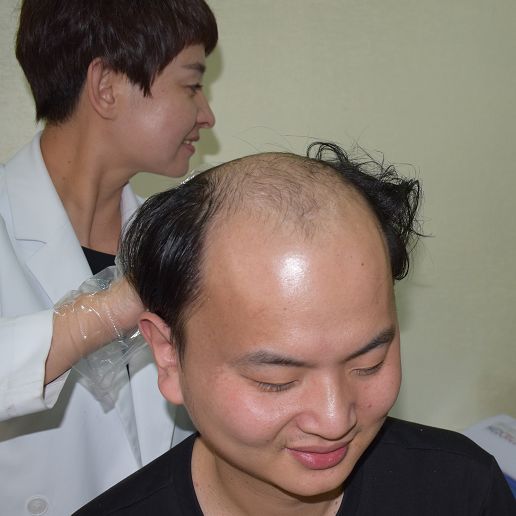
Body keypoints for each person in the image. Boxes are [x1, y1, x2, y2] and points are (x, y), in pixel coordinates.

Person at [75, 143, 515, 515]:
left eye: (369, 363)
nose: (335, 420)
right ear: (169, 356)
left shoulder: (462, 492)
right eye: (277, 381)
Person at [0, 1, 217, 514]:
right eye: (191, 85)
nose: (207, 114)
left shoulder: (172, 236)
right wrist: (112, 308)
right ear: (106, 86)